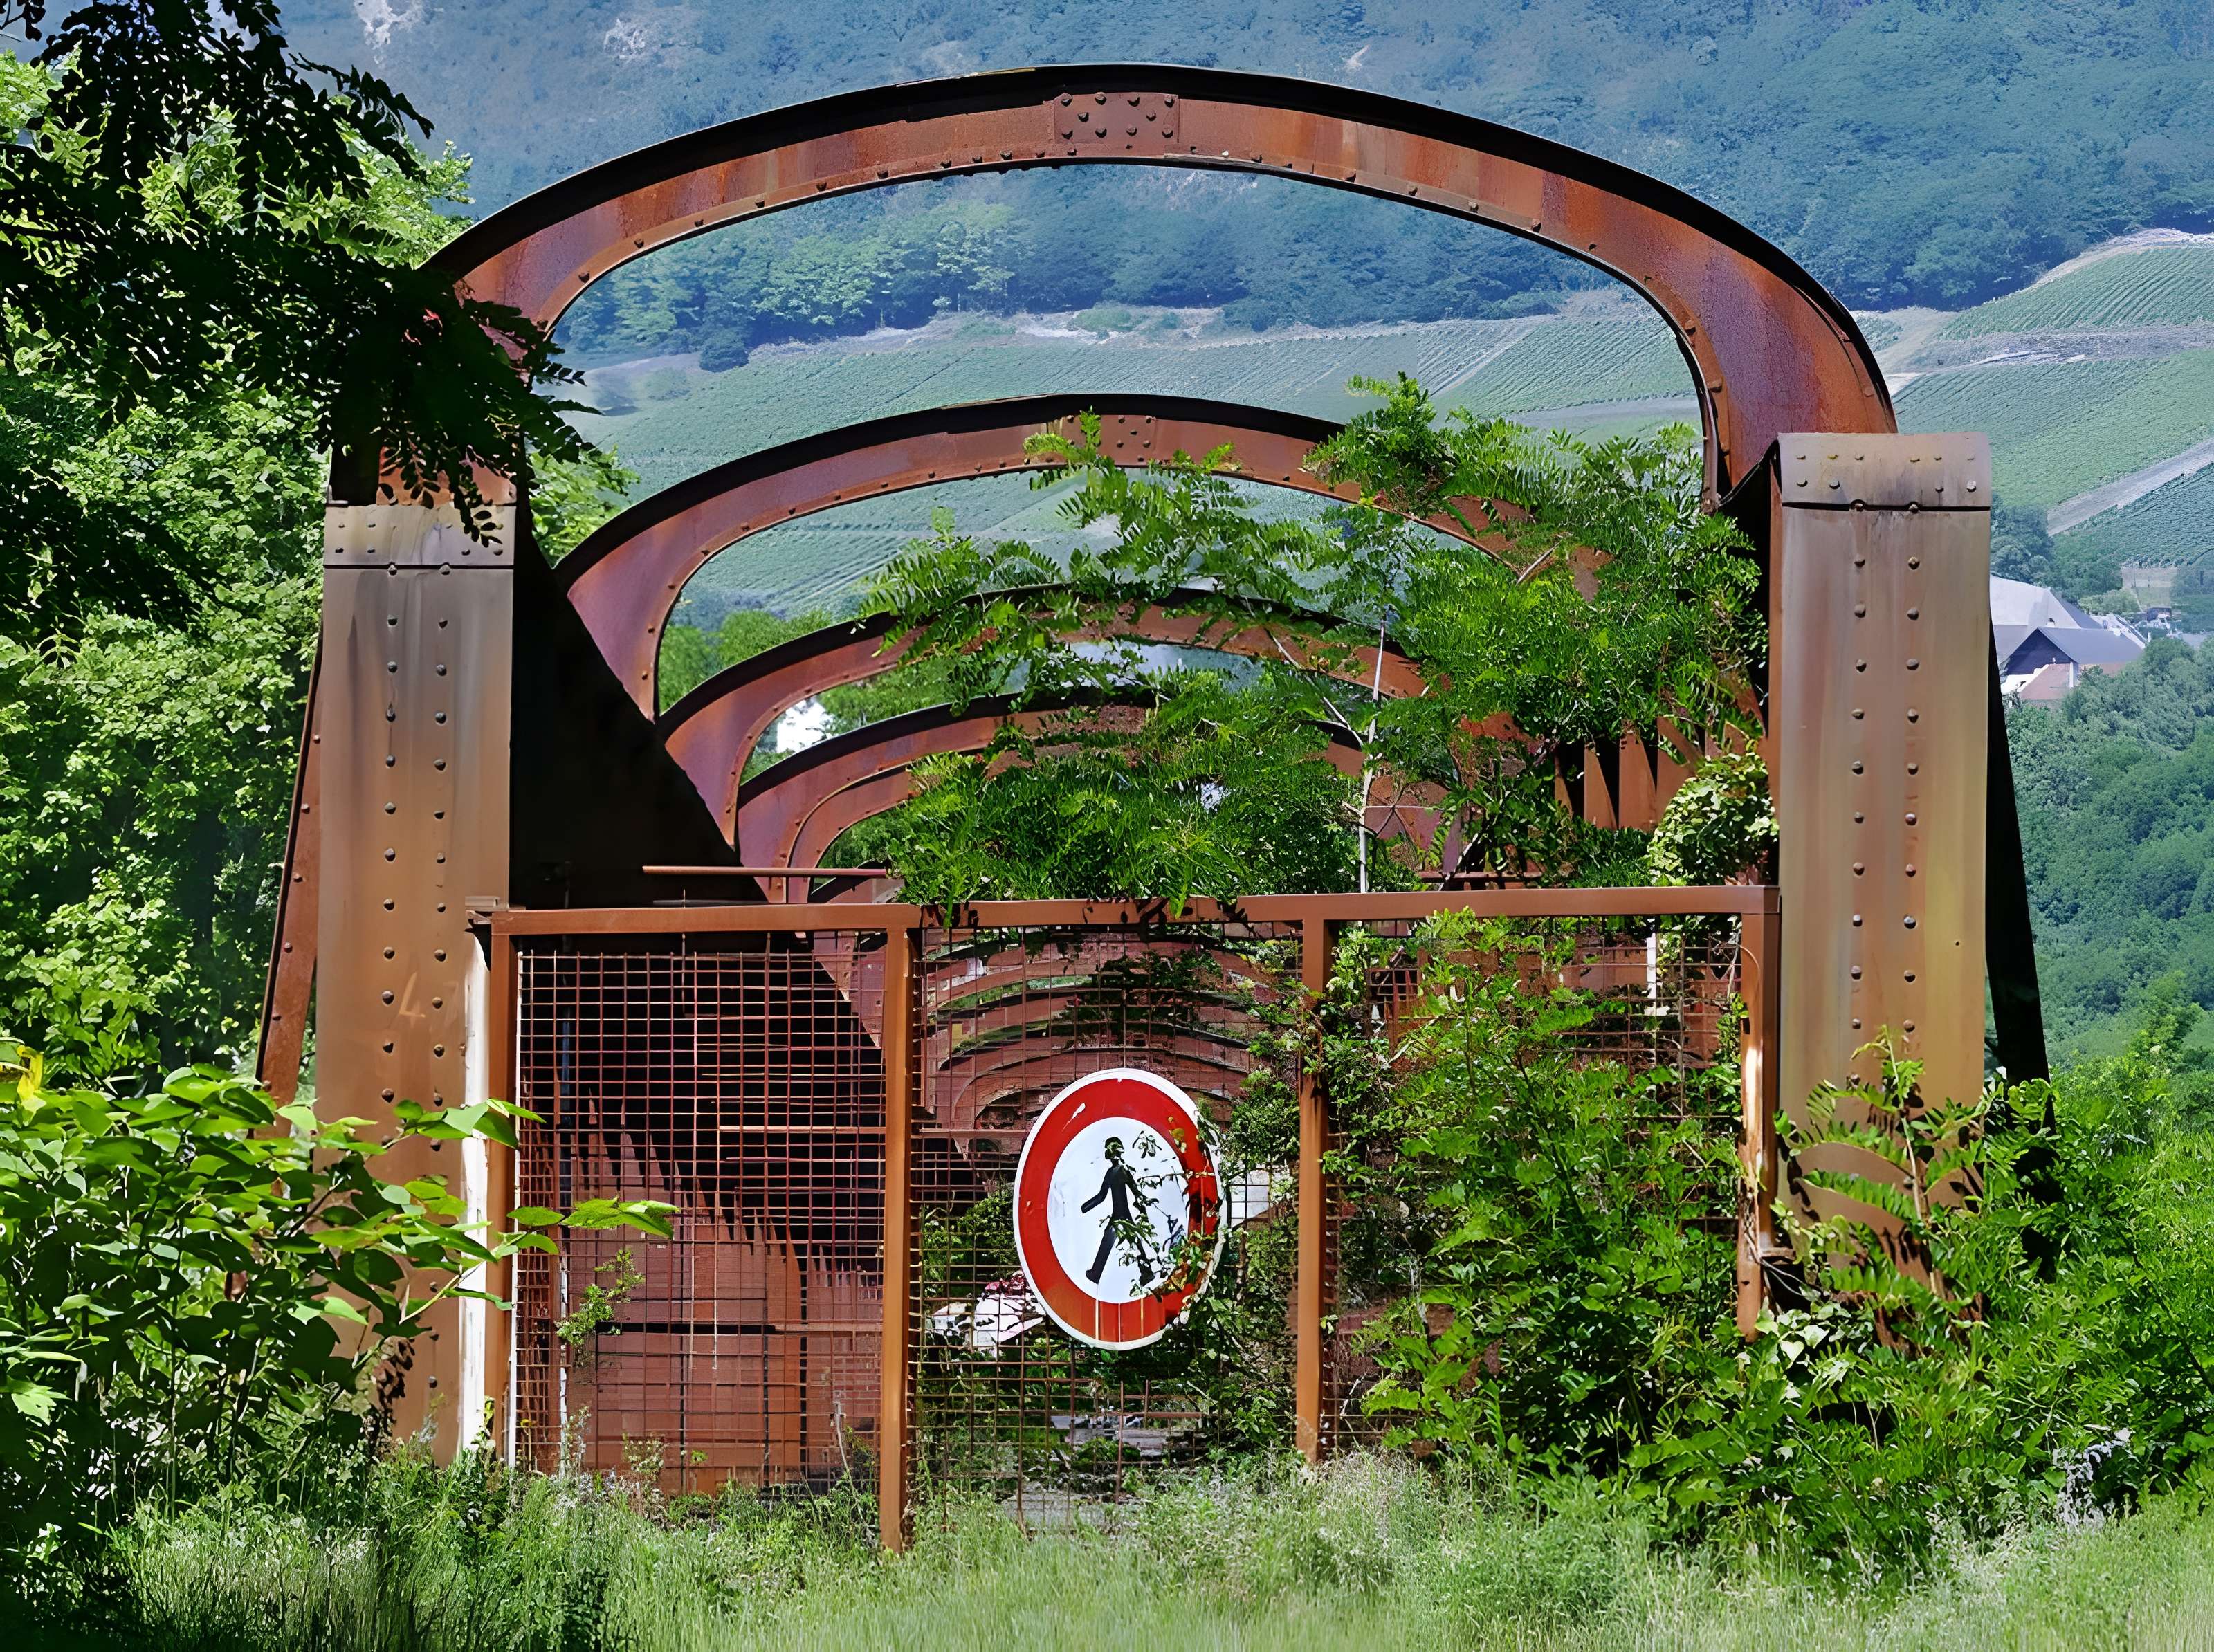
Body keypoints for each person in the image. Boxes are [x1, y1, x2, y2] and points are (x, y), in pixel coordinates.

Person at [1081, 1136, 1155, 1287]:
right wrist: (1085, 1207)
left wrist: (1085, 1207)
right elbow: (1134, 1192)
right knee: (1131, 1242)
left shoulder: (1116, 1171)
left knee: (1123, 1242)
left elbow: (1131, 1192)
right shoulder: (1118, 1171)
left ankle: (1096, 1274)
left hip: (1120, 1216)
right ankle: (1146, 1273)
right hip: (1122, 1215)